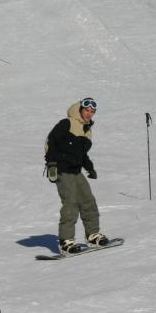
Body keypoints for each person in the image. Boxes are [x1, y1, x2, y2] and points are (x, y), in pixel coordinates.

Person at [44, 97, 109, 254]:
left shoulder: (87, 130)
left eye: (92, 112)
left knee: (88, 201)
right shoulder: (67, 123)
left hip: (76, 170)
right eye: (87, 110)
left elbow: (81, 154)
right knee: (70, 203)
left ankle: (93, 235)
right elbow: (50, 142)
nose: (89, 114)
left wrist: (89, 167)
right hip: (62, 169)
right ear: (80, 109)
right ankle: (66, 242)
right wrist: (51, 164)